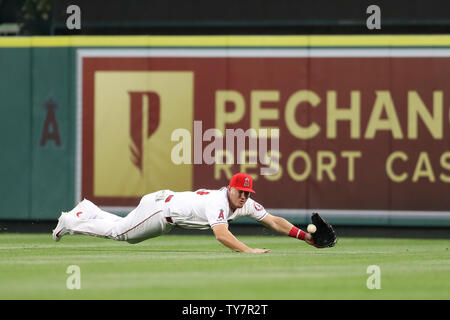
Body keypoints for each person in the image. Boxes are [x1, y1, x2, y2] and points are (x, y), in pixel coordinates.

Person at [52, 172, 316, 253]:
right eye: (240, 192)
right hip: (160, 210)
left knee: (123, 226)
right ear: (230, 188)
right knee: (121, 234)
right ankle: (69, 222)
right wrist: (249, 251)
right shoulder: (219, 202)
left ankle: (89, 209)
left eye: (248, 193)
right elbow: (222, 235)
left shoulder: (243, 203)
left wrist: (305, 237)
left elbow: (274, 222)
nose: (244, 197)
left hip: (164, 208)